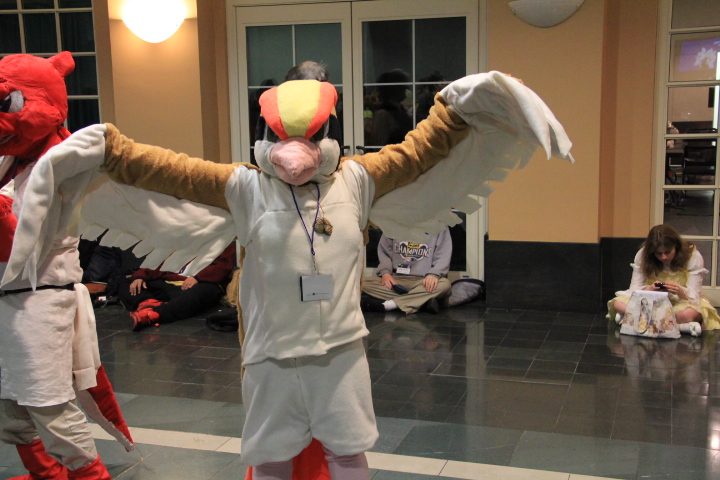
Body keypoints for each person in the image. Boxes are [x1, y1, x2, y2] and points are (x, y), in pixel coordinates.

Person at [609, 224, 720, 336]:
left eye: (667, 252)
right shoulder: (643, 255)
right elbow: (634, 289)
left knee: (691, 313)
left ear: (676, 246)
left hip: (680, 301)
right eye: (658, 253)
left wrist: (679, 290)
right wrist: (649, 289)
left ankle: (635, 321)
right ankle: (680, 327)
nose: (664, 257)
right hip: (651, 301)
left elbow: (695, 296)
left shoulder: (692, 256)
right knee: (619, 304)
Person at [118, 242, 236, 331]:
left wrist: (198, 278)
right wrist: (140, 277)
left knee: (202, 293)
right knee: (126, 282)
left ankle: (155, 314)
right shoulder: (178, 239)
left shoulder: (221, 241)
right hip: (169, 282)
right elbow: (159, 263)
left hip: (199, 284)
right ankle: (148, 303)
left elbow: (222, 267)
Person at [361, 228, 452, 314]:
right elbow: (385, 252)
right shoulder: (392, 222)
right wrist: (385, 273)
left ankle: (389, 305)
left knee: (444, 285)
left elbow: (443, 255)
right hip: (396, 281)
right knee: (361, 283)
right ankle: (422, 302)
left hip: (423, 282)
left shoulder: (440, 225)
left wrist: (434, 274)